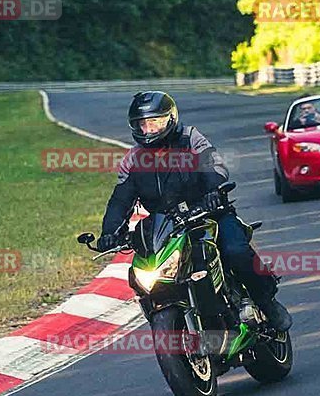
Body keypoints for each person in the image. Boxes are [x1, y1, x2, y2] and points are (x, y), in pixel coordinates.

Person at [96, 91, 292, 331]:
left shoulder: (190, 138)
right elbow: (120, 199)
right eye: (143, 124)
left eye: (154, 122)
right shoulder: (133, 159)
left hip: (209, 212)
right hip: (167, 226)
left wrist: (213, 191)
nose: (149, 129)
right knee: (149, 272)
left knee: (235, 251)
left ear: (170, 118)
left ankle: (266, 302)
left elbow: (214, 165)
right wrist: (109, 232)